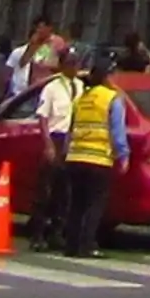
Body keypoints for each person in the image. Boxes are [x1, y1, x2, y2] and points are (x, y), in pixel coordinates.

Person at [52, 46, 131, 258]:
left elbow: (71, 130)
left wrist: (66, 153)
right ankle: (87, 245)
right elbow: (117, 132)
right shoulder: (112, 99)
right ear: (107, 77)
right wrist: (123, 157)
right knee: (95, 205)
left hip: (76, 158)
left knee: (76, 204)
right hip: (98, 159)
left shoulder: (82, 99)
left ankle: (71, 245)